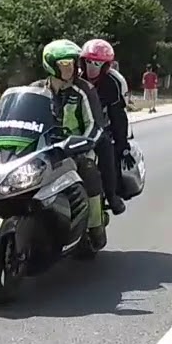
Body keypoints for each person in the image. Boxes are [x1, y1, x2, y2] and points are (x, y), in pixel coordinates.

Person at [30, 40, 112, 247]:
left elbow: (95, 125)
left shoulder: (84, 89)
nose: (70, 68)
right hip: (43, 151)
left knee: (89, 169)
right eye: (64, 64)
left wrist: (84, 144)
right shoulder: (36, 90)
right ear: (51, 65)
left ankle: (95, 225)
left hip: (76, 150)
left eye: (72, 63)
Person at [79, 38, 129, 215]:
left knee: (108, 148)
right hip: (75, 129)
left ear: (106, 65)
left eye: (98, 63)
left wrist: (123, 145)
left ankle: (111, 194)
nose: (92, 67)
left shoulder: (112, 83)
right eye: (89, 62)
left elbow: (118, 115)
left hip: (101, 128)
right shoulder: (74, 79)